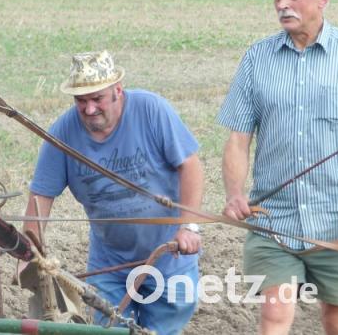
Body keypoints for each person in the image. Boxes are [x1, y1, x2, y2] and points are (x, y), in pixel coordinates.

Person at [23, 50, 203, 334]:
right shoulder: (63, 132)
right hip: (110, 264)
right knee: (109, 328)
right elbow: (41, 196)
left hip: (169, 255)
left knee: (164, 328)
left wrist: (189, 227)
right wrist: (30, 251)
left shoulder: (152, 110)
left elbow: (190, 165)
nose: (90, 109)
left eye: (97, 99)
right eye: (81, 101)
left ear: (117, 90)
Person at [219, 0, 338, 335]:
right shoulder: (257, 58)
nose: (282, 5)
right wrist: (235, 194)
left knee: (336, 318)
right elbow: (239, 138)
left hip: (336, 220)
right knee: (275, 315)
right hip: (274, 222)